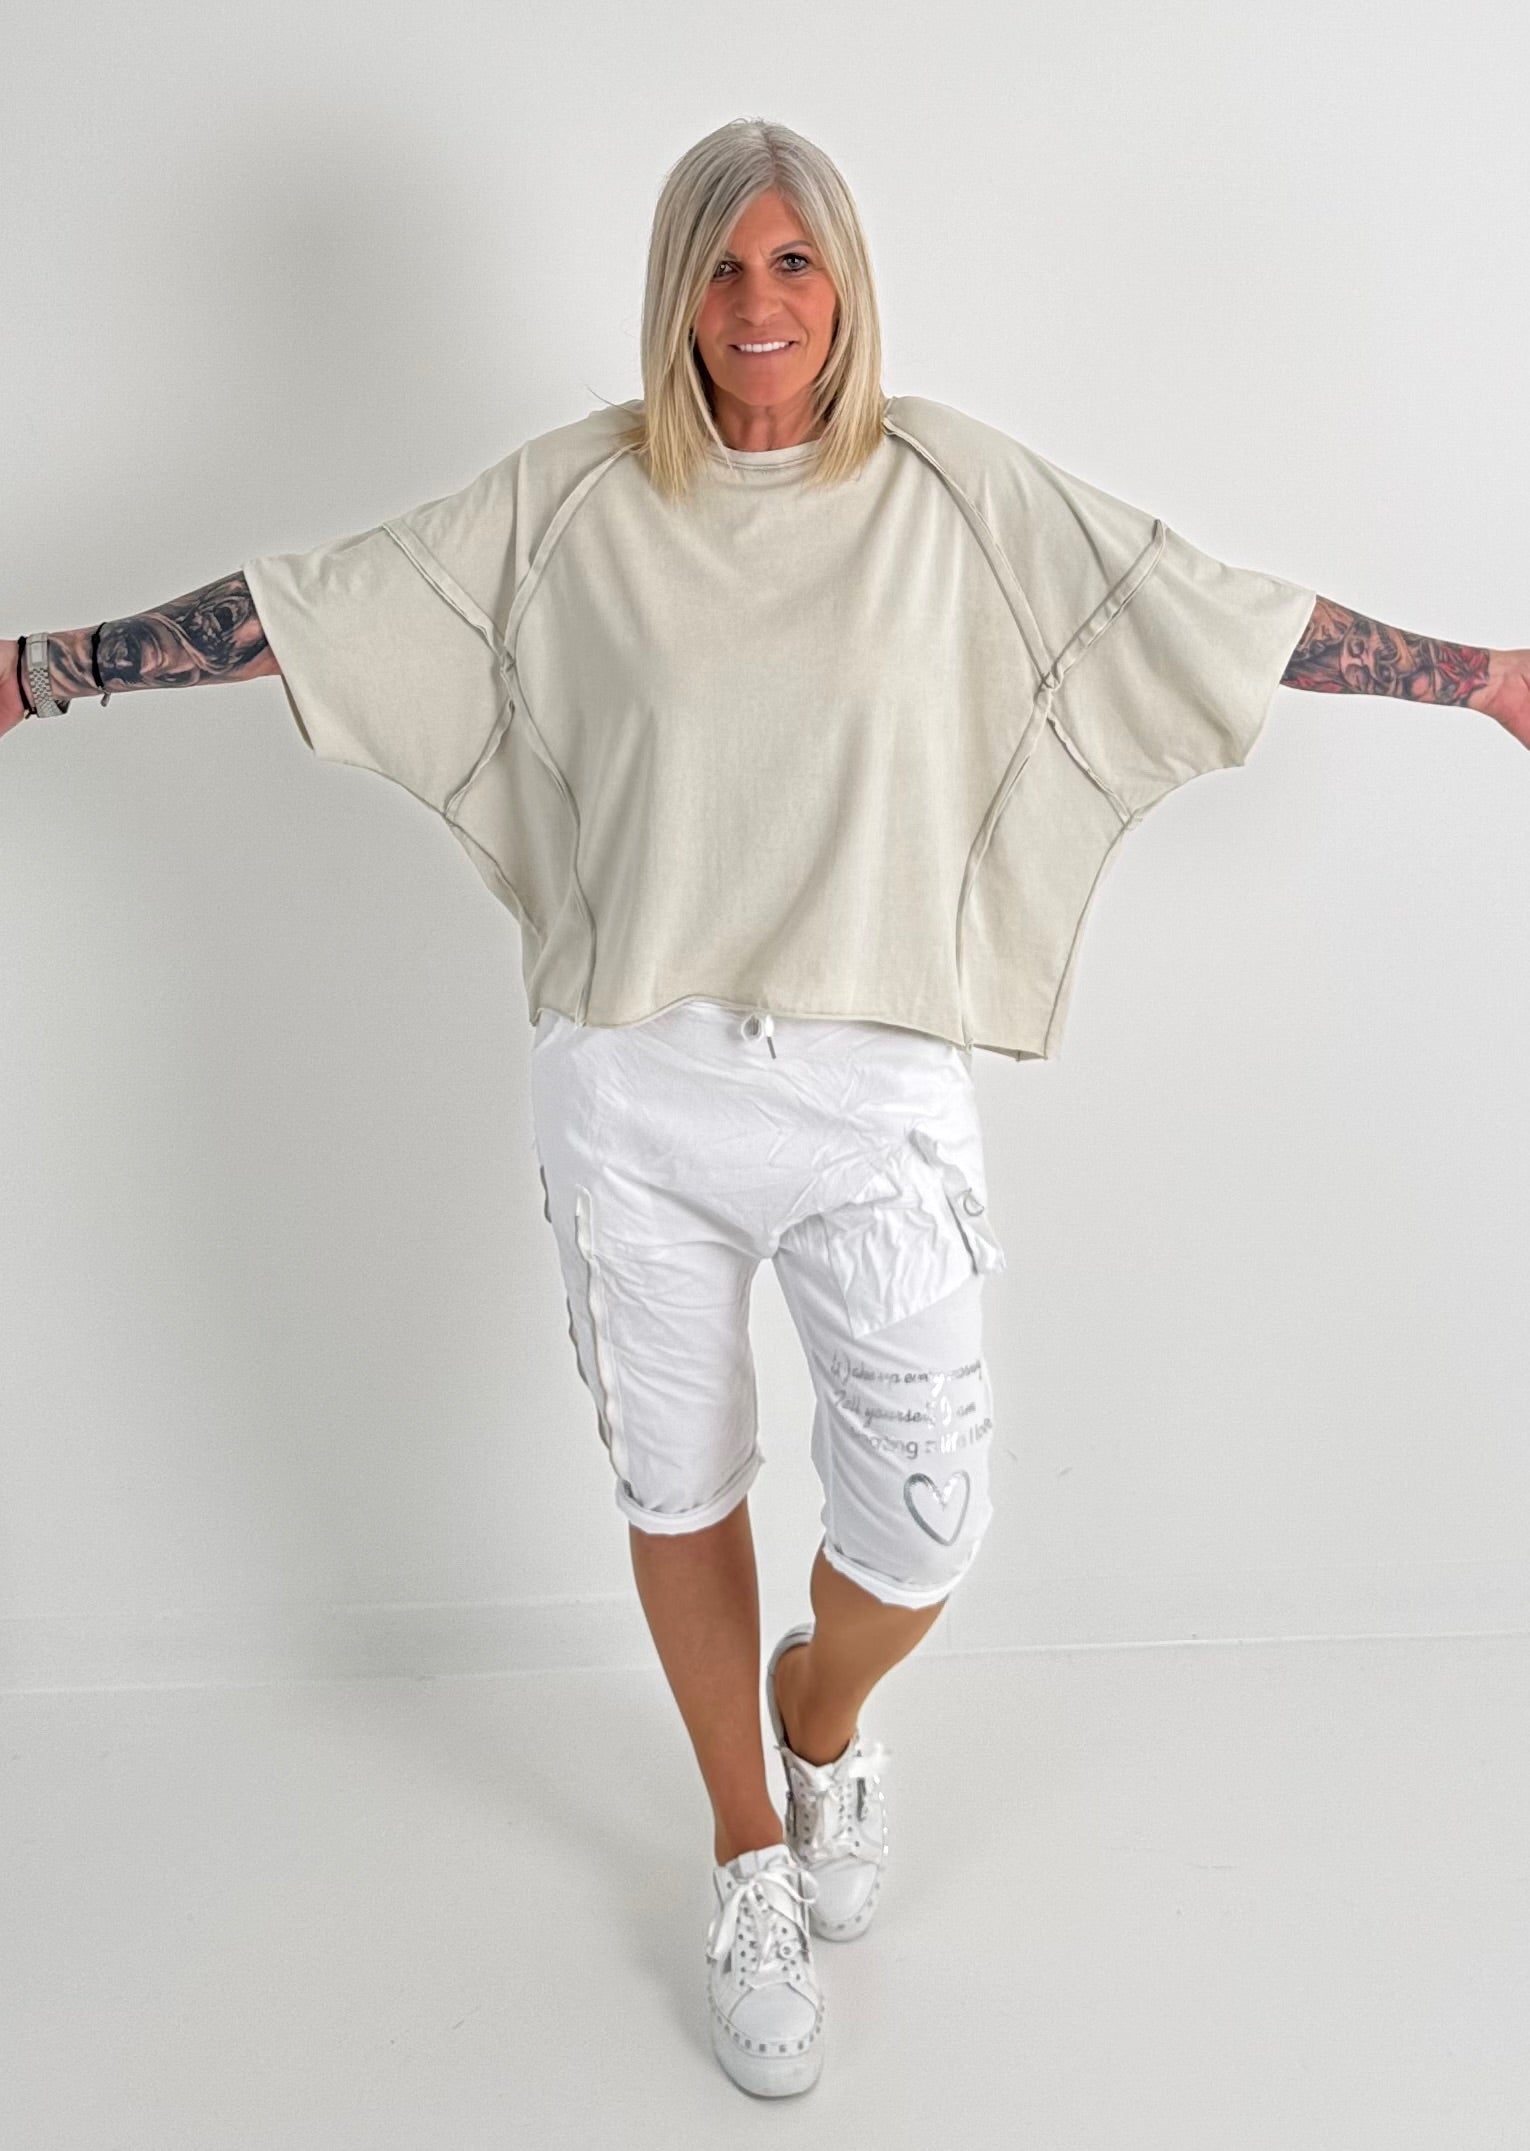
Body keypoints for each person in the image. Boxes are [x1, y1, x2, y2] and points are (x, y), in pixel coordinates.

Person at [5, 116, 1527, 2102]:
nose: (759, 305)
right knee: (680, 1481)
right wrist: (48, 669)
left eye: (794, 262)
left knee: (925, 1519)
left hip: (873, 1074)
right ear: (677, 292)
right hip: (631, 1075)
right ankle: (746, 1852)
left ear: (844, 283)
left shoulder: (951, 490)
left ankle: (821, 1717)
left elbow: (1203, 609)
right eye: (723, 267)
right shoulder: (574, 499)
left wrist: (1477, 676)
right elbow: (316, 607)